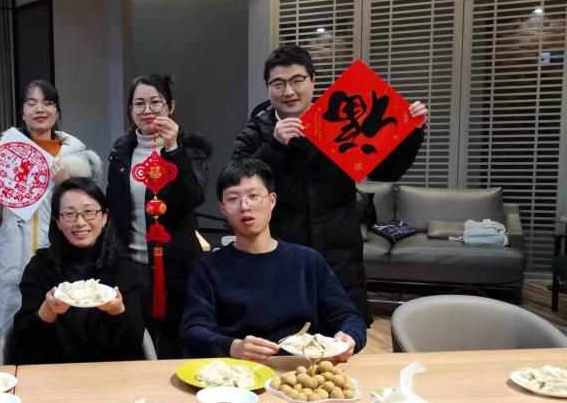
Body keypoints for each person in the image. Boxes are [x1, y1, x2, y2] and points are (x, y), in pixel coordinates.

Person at [232, 45, 427, 324]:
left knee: (344, 333)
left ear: (312, 80)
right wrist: (274, 145)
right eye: (278, 83)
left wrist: (411, 133)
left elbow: (386, 172)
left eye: (297, 80)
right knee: (283, 335)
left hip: (339, 250)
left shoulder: (340, 119)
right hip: (281, 250)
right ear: (268, 87)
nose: (289, 91)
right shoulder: (256, 131)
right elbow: (239, 184)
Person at [181, 159, 366, 362]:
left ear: (272, 200)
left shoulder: (307, 261)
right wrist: (232, 347)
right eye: (233, 199)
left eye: (253, 196)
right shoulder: (209, 267)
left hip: (299, 369)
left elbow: (347, 316)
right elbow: (193, 330)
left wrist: (350, 337)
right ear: (223, 209)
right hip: (236, 370)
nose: (245, 206)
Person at [0, 80, 101, 346]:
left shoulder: (77, 159)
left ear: (57, 112)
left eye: (48, 103)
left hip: (63, 260)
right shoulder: (6, 155)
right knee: (15, 338)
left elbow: (91, 215)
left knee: (64, 335)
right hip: (15, 261)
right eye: (31, 103)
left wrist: (65, 184)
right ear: (22, 112)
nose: (40, 109)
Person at [106, 74, 211, 358]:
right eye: (138, 104)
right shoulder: (121, 151)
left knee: (176, 341)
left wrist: (173, 148)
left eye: (155, 102)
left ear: (170, 106)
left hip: (177, 264)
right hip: (133, 264)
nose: (147, 110)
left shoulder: (189, 148)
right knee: (136, 342)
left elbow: (193, 197)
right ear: (130, 110)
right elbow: (114, 206)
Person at [9, 178, 146, 364]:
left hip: (111, 371)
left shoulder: (124, 266)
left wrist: (118, 311)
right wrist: (47, 311)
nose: (80, 222)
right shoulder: (40, 266)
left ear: (104, 217)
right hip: (52, 371)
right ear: (58, 221)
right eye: (69, 214)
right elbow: (22, 341)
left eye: (89, 212)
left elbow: (135, 340)